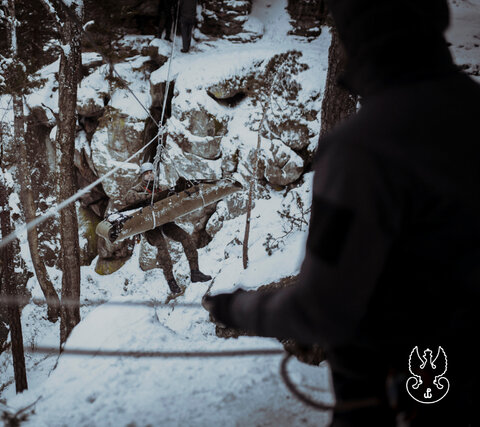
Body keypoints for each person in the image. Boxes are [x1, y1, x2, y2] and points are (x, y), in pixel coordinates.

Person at [203, 0, 479, 425]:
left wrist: (235, 309)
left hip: (403, 390)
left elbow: (323, 307)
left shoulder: (364, 148)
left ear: (355, 36)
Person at [125, 163, 211, 295]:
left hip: (164, 221)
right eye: (146, 173)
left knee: (186, 238)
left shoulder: (161, 188)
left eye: (151, 172)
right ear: (142, 175)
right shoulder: (137, 190)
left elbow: (173, 194)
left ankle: (195, 272)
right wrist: (148, 197)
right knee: (161, 245)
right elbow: (129, 198)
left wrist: (181, 186)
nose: (149, 174)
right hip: (149, 226)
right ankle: (171, 281)